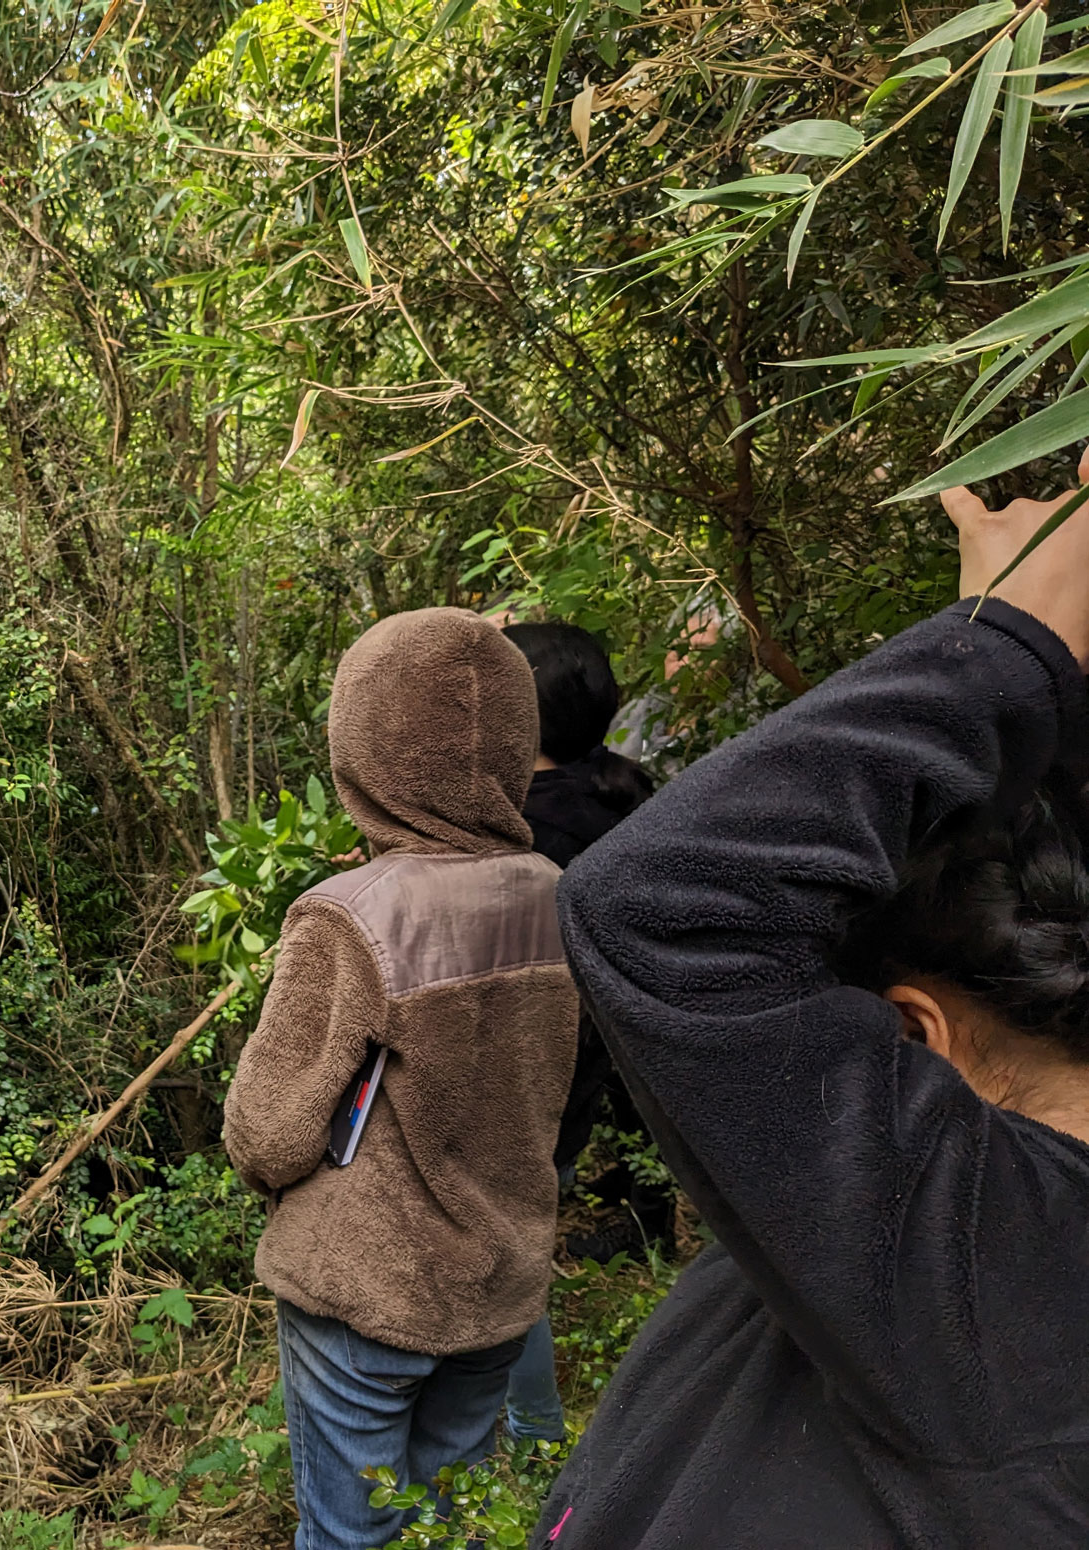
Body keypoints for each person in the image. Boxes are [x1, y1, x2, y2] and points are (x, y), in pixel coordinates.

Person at [535, 448, 1089, 1547]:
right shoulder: (949, 1255)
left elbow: (668, 906)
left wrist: (1015, 634)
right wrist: (1029, 682)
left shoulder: (995, 1268)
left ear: (913, 1033)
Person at [222, 607, 580, 1550]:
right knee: (449, 1523)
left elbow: (269, 1131)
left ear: (363, 748)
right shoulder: (559, 893)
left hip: (365, 1287)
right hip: (499, 1279)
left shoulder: (349, 916)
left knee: (349, 1534)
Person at [497, 622, 659, 1446]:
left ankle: (532, 1430)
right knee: (512, 1250)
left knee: (501, 1263)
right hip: (581, 1071)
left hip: (530, 1081)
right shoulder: (616, 793)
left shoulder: (529, 830)